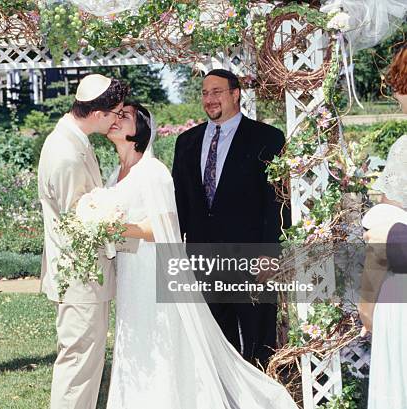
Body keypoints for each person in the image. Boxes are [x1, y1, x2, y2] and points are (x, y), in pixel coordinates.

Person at [101, 102, 297, 408]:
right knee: (133, 335)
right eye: (114, 115)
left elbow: (166, 226)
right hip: (129, 269)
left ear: (140, 128)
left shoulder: (152, 171)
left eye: (123, 116)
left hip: (153, 269)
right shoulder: (115, 174)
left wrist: (119, 228)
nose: (115, 120)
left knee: (161, 337)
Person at [171, 69, 290, 368]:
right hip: (203, 261)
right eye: (205, 93)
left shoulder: (268, 138)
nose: (209, 99)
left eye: (217, 92)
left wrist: (269, 252)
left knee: (258, 340)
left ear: (236, 94)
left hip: (251, 259)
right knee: (214, 343)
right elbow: (180, 203)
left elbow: (277, 200)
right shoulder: (186, 142)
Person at [37, 74, 129, 409]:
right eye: (116, 113)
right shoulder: (65, 151)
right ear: (98, 113)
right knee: (78, 364)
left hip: (87, 276)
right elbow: (80, 220)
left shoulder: (76, 139)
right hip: (79, 276)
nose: (118, 119)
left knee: (86, 363)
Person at [359, 46, 407, 409]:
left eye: (399, 84)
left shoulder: (404, 148)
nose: (395, 94)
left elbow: (380, 236)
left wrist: (367, 305)